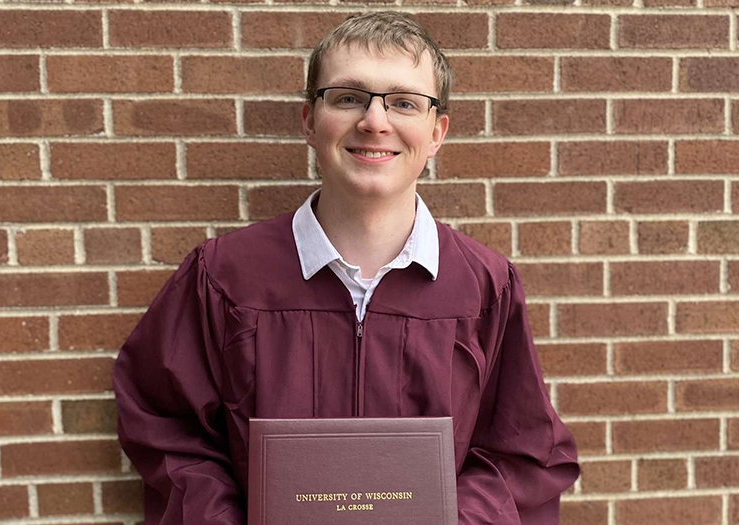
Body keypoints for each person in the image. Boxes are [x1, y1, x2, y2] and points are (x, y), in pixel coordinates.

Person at [113, 11, 580, 525]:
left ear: (437, 131)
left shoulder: (483, 288)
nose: (375, 121)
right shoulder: (224, 278)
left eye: (404, 102)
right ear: (310, 121)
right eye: (348, 97)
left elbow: (521, 452)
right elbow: (169, 431)